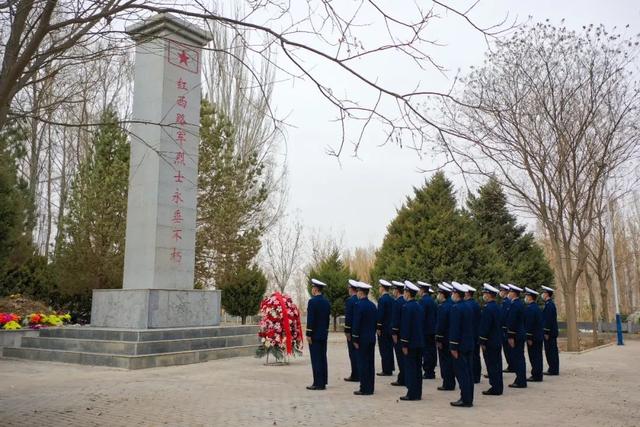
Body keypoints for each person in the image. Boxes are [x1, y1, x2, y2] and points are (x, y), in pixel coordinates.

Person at [449, 282, 474, 408]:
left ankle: (465, 399)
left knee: (462, 373)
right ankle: (469, 397)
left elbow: (455, 329)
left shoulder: (456, 308)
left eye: (453, 292)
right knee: (468, 372)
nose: (452, 295)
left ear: (456, 294)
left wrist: (453, 346)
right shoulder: (468, 306)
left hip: (460, 346)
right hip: (468, 344)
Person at [399, 281, 425, 401]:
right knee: (418, 369)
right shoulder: (419, 306)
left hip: (410, 343)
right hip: (419, 342)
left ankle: (411, 393)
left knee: (410, 368)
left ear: (408, 293)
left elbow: (406, 327)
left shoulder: (406, 307)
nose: (404, 293)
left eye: (405, 291)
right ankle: (418, 392)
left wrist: (404, 343)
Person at [352, 281, 377, 395]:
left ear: (360, 292)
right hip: (371, 338)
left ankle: (364, 388)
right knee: (370, 363)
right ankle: (370, 387)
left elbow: (356, 323)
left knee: (362, 363)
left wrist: (355, 339)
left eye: (357, 291)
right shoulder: (372, 305)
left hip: (361, 339)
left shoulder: (358, 305)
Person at [478, 283, 504, 396]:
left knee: (492, 364)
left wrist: (482, 340)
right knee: (497, 364)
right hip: (497, 339)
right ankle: (499, 386)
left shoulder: (488, 308)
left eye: (485, 293)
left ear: (489, 295)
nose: (483, 295)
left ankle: (495, 387)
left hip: (490, 341)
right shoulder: (497, 307)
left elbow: (485, 326)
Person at [306, 278, 331, 390]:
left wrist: (308, 334)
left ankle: (318, 383)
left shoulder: (312, 302)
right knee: (322, 357)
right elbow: (326, 319)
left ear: (315, 289)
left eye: (313, 288)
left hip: (315, 335)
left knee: (316, 358)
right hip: (323, 334)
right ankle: (323, 380)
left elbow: (311, 319)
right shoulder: (326, 302)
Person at [435, 283, 456, 391]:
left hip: (444, 338)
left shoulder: (443, 307)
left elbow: (441, 324)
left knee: (445, 361)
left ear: (443, 294)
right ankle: (450, 381)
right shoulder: (452, 304)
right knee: (450, 361)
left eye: (439, 293)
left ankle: (447, 383)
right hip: (451, 337)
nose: (438, 295)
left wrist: (438, 338)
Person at [506, 284, 527, 389]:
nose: (508, 294)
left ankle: (520, 380)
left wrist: (510, 336)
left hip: (516, 335)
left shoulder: (514, 305)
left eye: (509, 292)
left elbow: (512, 322)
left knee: (518, 358)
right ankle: (520, 379)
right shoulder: (520, 304)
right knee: (520, 357)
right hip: (520, 334)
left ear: (513, 293)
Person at [418, 281, 438, 380]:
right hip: (432, 330)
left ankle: (428, 371)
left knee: (426, 351)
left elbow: (421, 317)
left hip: (425, 330)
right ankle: (431, 370)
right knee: (432, 350)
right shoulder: (432, 301)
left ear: (422, 290)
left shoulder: (422, 301)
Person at [524, 287, 544, 382]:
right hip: (538, 336)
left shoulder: (530, 309)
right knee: (538, 356)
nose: (526, 297)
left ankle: (536, 375)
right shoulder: (536, 308)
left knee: (534, 356)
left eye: (527, 296)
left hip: (534, 337)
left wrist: (529, 337)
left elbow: (530, 324)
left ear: (531, 297)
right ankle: (538, 374)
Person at [376, 279, 395, 376]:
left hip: (383, 328)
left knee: (384, 349)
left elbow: (380, 315)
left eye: (380, 287)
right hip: (390, 328)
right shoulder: (392, 299)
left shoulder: (382, 300)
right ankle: (390, 367)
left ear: (383, 288)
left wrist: (378, 327)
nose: (379, 288)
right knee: (389, 348)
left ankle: (386, 369)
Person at [464, 285, 482, 384]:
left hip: (470, 334)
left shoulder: (468, 305)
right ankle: (476, 376)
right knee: (476, 356)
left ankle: (474, 376)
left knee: (472, 357)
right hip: (475, 333)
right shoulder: (474, 304)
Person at [390, 280, 407, 387]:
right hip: (405, 334)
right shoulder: (405, 301)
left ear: (397, 291)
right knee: (404, 358)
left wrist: (394, 333)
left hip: (399, 334)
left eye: (394, 289)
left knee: (401, 358)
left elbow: (396, 320)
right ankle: (404, 377)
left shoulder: (397, 302)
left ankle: (402, 378)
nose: (393, 291)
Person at [344, 279, 360, 382]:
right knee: (358, 353)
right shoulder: (359, 300)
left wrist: (347, 331)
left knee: (353, 353)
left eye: (349, 288)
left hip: (352, 332)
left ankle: (355, 374)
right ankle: (358, 373)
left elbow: (348, 318)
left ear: (351, 289)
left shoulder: (350, 301)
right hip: (359, 331)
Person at [541, 285, 560, 375]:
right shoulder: (549, 304)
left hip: (550, 333)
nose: (542, 294)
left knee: (551, 351)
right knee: (550, 351)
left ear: (547, 294)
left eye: (544, 293)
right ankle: (552, 368)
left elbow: (548, 320)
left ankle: (553, 369)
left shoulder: (549, 305)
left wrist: (546, 331)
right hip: (551, 332)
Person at [499, 284, 514, 373]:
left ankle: (512, 365)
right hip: (504, 328)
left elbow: (505, 316)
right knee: (507, 349)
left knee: (508, 349)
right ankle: (511, 365)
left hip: (505, 329)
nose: (500, 292)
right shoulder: (505, 301)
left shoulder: (506, 302)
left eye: (501, 290)